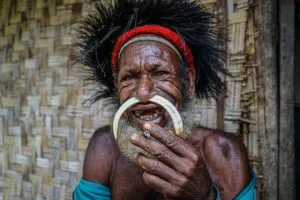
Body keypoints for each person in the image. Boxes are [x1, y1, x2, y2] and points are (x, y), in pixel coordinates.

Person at [73, 0, 256, 199]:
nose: (143, 93)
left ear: (190, 83)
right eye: (129, 77)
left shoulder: (224, 153)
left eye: (160, 73)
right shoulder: (105, 148)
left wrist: (205, 196)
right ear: (117, 86)